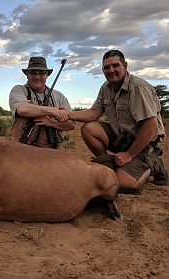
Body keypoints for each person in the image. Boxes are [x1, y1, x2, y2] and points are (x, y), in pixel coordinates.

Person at [65, 49, 168, 193]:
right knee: (89, 128)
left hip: (145, 143)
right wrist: (68, 114)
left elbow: (150, 126)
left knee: (122, 185)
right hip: (123, 139)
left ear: (125, 66)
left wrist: (129, 155)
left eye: (115, 66)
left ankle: (154, 164)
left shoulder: (138, 87)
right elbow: (94, 113)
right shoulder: (106, 87)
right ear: (102, 69)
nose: (111, 70)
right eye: (107, 67)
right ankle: (110, 166)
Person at [9, 56, 75, 148]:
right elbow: (22, 110)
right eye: (33, 73)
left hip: (52, 151)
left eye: (41, 73)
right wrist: (54, 111)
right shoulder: (19, 90)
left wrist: (51, 122)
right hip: (21, 149)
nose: (37, 77)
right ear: (27, 74)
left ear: (47, 75)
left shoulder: (59, 96)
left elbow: (71, 125)